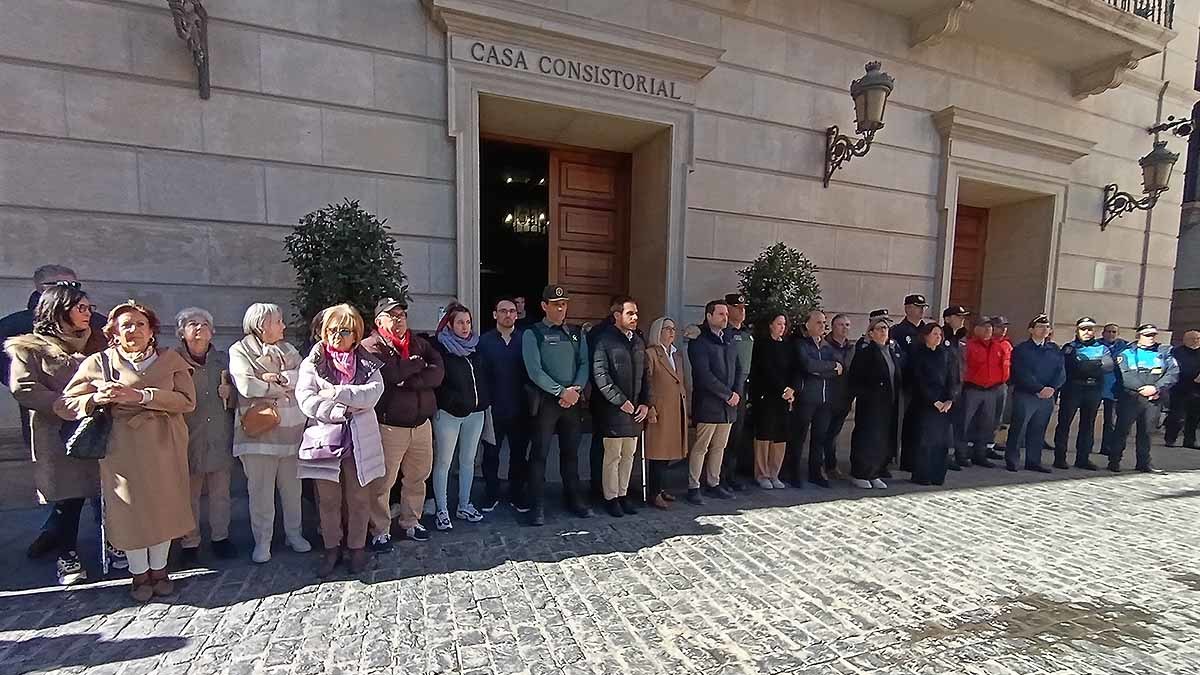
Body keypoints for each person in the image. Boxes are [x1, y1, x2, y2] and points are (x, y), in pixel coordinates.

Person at [56, 301, 196, 602]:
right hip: (123, 448)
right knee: (130, 509)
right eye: (125, 326)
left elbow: (187, 401)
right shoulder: (99, 363)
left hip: (165, 442)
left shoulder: (171, 360)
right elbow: (64, 404)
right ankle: (138, 574)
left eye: (139, 325)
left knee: (164, 505)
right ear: (114, 332)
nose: (133, 330)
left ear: (152, 331)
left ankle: (159, 570)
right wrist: (95, 398)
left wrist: (143, 396)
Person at [1, 266, 107, 561]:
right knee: (67, 498)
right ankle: (66, 553)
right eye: (81, 307)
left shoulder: (100, 338)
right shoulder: (26, 344)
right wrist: (65, 404)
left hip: (101, 430)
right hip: (57, 433)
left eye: (88, 306)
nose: (87, 312)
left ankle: (112, 547)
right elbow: (23, 387)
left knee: (107, 495)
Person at [295, 304, 386, 576]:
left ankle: (356, 548)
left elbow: (373, 393)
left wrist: (336, 392)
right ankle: (332, 549)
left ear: (356, 334)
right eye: (331, 330)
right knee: (328, 499)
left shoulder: (367, 361)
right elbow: (306, 398)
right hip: (326, 438)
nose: (336, 336)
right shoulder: (313, 362)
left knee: (359, 498)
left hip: (360, 439)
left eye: (344, 331)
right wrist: (338, 409)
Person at [228, 303, 311, 564]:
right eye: (278, 321)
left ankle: (294, 534)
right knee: (261, 493)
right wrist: (276, 388)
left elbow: (304, 377)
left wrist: (281, 379)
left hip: (293, 434)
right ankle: (262, 541)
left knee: (292, 491)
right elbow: (246, 384)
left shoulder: (288, 349)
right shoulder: (240, 350)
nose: (283, 326)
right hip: (259, 435)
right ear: (262, 325)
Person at [360, 297, 441, 546]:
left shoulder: (417, 342)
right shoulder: (371, 345)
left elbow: (437, 372)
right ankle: (380, 529)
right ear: (379, 320)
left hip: (421, 424)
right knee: (383, 483)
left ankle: (411, 521)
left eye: (402, 315)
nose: (399, 320)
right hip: (391, 426)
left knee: (418, 477)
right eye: (392, 315)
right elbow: (391, 375)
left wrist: (410, 377)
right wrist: (415, 365)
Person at [522, 285, 593, 525]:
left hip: (572, 402)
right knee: (539, 454)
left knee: (571, 453)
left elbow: (584, 364)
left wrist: (576, 390)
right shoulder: (534, 333)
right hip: (546, 402)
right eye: (555, 304)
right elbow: (534, 370)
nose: (561, 308)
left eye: (564, 304)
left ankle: (573, 498)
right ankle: (537, 504)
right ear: (544, 306)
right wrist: (560, 391)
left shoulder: (575, 332)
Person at [173, 308, 238, 565]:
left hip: (219, 435)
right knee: (188, 494)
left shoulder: (223, 361)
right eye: (192, 324)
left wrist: (230, 394)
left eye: (204, 324)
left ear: (213, 331)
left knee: (221, 492)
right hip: (187, 437)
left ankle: (220, 538)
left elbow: (241, 398)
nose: (199, 329)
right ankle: (190, 542)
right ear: (181, 332)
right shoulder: (173, 361)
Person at [430, 303, 491, 531]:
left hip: (475, 413)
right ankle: (442, 509)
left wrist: (484, 400)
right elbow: (437, 383)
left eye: (468, 322)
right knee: (444, 462)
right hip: (449, 414)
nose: (465, 327)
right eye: (460, 322)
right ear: (450, 324)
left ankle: (464, 504)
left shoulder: (476, 347)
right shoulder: (440, 348)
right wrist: (450, 401)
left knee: (468, 461)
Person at [591, 297, 651, 517]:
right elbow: (601, 376)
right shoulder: (603, 340)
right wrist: (620, 401)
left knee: (629, 455)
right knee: (613, 456)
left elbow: (646, 376)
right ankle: (611, 497)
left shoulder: (638, 341)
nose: (635, 318)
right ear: (617, 316)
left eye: (636, 314)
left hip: (635, 411)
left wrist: (645, 403)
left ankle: (623, 494)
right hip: (613, 411)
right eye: (630, 314)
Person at [686, 299, 745, 504]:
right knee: (701, 446)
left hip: (729, 405)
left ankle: (714, 482)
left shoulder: (729, 338)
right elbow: (703, 374)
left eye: (726, 314)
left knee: (720, 446)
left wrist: (736, 392)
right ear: (709, 316)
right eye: (720, 314)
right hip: (709, 403)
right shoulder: (699, 340)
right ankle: (694, 486)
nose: (725, 317)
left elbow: (739, 368)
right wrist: (726, 394)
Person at [477, 298, 531, 512]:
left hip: (521, 409)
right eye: (503, 311)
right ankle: (491, 494)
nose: (508, 314)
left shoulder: (526, 340)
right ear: (494, 314)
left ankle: (517, 494)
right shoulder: (484, 342)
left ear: (517, 315)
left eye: (511, 311)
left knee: (519, 455)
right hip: (493, 409)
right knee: (491, 455)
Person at [1110, 324, 1179, 473]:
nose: (1150, 338)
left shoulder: (1164, 352)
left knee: (1146, 432)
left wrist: (1156, 388)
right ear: (1138, 336)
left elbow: (1172, 373)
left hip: (1154, 397)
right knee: (1122, 430)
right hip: (1131, 397)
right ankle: (1114, 461)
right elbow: (1125, 375)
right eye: (1147, 335)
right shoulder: (1126, 353)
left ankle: (1143, 462)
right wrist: (1144, 390)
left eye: (1153, 335)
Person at [1052, 317, 1115, 470]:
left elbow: (1107, 367)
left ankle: (1083, 458)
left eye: (1090, 329)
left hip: (1093, 389)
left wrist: (1083, 366)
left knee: (1088, 425)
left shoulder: (1102, 348)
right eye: (1083, 329)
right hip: (1073, 389)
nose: (1087, 332)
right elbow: (1068, 368)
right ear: (1077, 330)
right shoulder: (1070, 348)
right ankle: (1060, 458)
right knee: (1064, 424)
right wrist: (1092, 365)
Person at [847, 315, 903, 488]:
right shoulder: (865, 353)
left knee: (882, 438)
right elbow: (855, 379)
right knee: (867, 437)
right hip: (871, 404)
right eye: (879, 329)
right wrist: (868, 394)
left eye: (885, 329)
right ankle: (860, 472)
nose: (883, 332)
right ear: (870, 333)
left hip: (889, 403)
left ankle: (874, 472)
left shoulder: (891, 352)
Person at [1005, 314, 1065, 472]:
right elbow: (1021, 372)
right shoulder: (1022, 349)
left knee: (1038, 429)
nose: (1044, 329)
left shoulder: (1054, 349)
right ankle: (1012, 459)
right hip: (1026, 394)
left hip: (1047, 396)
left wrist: (1052, 387)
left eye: (1046, 327)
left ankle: (1033, 460)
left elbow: (1060, 372)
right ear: (1031, 330)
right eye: (1040, 326)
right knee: (1019, 428)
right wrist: (1038, 388)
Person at [788, 309, 841, 488]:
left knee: (820, 437)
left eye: (824, 322)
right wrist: (829, 367)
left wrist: (826, 368)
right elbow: (808, 365)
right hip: (806, 398)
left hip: (825, 400)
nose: (822, 326)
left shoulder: (827, 346)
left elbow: (839, 369)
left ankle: (815, 472)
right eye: (818, 322)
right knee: (799, 436)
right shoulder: (801, 345)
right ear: (807, 324)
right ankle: (793, 472)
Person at [643, 317, 689, 508]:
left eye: (673, 329)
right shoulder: (651, 354)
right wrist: (650, 405)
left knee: (669, 452)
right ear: (658, 332)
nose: (672, 332)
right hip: (660, 410)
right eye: (667, 328)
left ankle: (661, 488)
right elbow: (647, 382)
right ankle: (653, 493)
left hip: (676, 408)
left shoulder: (676, 355)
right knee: (657, 453)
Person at [957, 316, 1008, 469]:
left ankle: (980, 454)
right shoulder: (967, 346)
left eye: (990, 327)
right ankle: (961, 454)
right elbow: (962, 368)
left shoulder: (997, 346)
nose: (988, 330)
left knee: (986, 425)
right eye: (984, 327)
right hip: (972, 389)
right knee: (964, 423)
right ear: (975, 329)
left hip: (992, 390)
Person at [750, 314, 794, 489]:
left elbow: (793, 369)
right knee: (765, 434)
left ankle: (775, 473)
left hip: (785, 397)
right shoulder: (762, 345)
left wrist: (791, 389)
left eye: (784, 324)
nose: (782, 327)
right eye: (778, 323)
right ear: (770, 325)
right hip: (767, 396)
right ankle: (762, 474)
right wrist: (782, 389)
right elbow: (765, 371)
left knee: (780, 436)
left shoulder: (787, 346)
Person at [908, 322, 955, 485]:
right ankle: (923, 475)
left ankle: (937, 475)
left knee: (941, 442)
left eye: (940, 335)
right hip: (926, 404)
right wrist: (933, 401)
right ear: (926, 335)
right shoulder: (918, 354)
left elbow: (953, 378)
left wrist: (950, 399)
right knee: (925, 441)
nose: (938, 337)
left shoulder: (945, 354)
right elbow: (918, 380)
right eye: (935, 334)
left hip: (944, 405)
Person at [891, 293, 928, 472]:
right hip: (905, 383)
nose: (921, 311)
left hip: (922, 385)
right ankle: (893, 457)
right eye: (917, 307)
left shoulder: (926, 330)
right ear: (907, 308)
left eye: (922, 308)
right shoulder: (898, 331)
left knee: (917, 424)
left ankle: (911, 460)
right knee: (899, 423)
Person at [721, 293, 753, 490]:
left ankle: (731, 475)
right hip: (728, 390)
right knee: (724, 438)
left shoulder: (748, 334)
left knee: (737, 436)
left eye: (743, 307)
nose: (742, 311)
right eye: (737, 307)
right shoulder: (724, 333)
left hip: (744, 390)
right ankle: (719, 477)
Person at [822, 313, 855, 479]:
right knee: (823, 433)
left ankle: (831, 466)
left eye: (847, 325)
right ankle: (821, 466)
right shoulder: (825, 345)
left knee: (834, 433)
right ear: (833, 327)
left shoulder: (851, 348)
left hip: (844, 398)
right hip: (827, 396)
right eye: (841, 325)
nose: (845, 328)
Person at [939, 306, 971, 470]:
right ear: (947, 318)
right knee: (944, 426)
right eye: (958, 316)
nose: (962, 319)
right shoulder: (941, 335)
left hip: (959, 387)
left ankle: (959, 453)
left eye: (963, 316)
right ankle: (944, 456)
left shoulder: (961, 338)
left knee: (959, 423)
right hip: (944, 388)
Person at [1165, 329, 1200, 449]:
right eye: (1192, 338)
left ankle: (1190, 441)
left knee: (1194, 416)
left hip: (1197, 389)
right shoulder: (1177, 352)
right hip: (1179, 387)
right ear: (1185, 340)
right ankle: (1170, 438)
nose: (1195, 341)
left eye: (1198, 338)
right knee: (1176, 415)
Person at [1098, 323, 1128, 456]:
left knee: (1110, 420)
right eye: (1108, 332)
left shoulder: (1123, 347)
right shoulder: (1096, 345)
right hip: (1097, 385)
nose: (1111, 334)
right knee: (1089, 419)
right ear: (1103, 333)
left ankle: (1106, 446)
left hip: (1113, 387)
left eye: (1114, 332)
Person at [990, 316, 1014, 460]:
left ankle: (990, 444)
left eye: (1005, 326)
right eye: (1000, 326)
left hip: (1002, 385)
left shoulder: (1007, 344)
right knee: (984, 418)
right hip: (987, 386)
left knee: (998, 418)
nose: (1003, 329)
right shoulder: (988, 343)